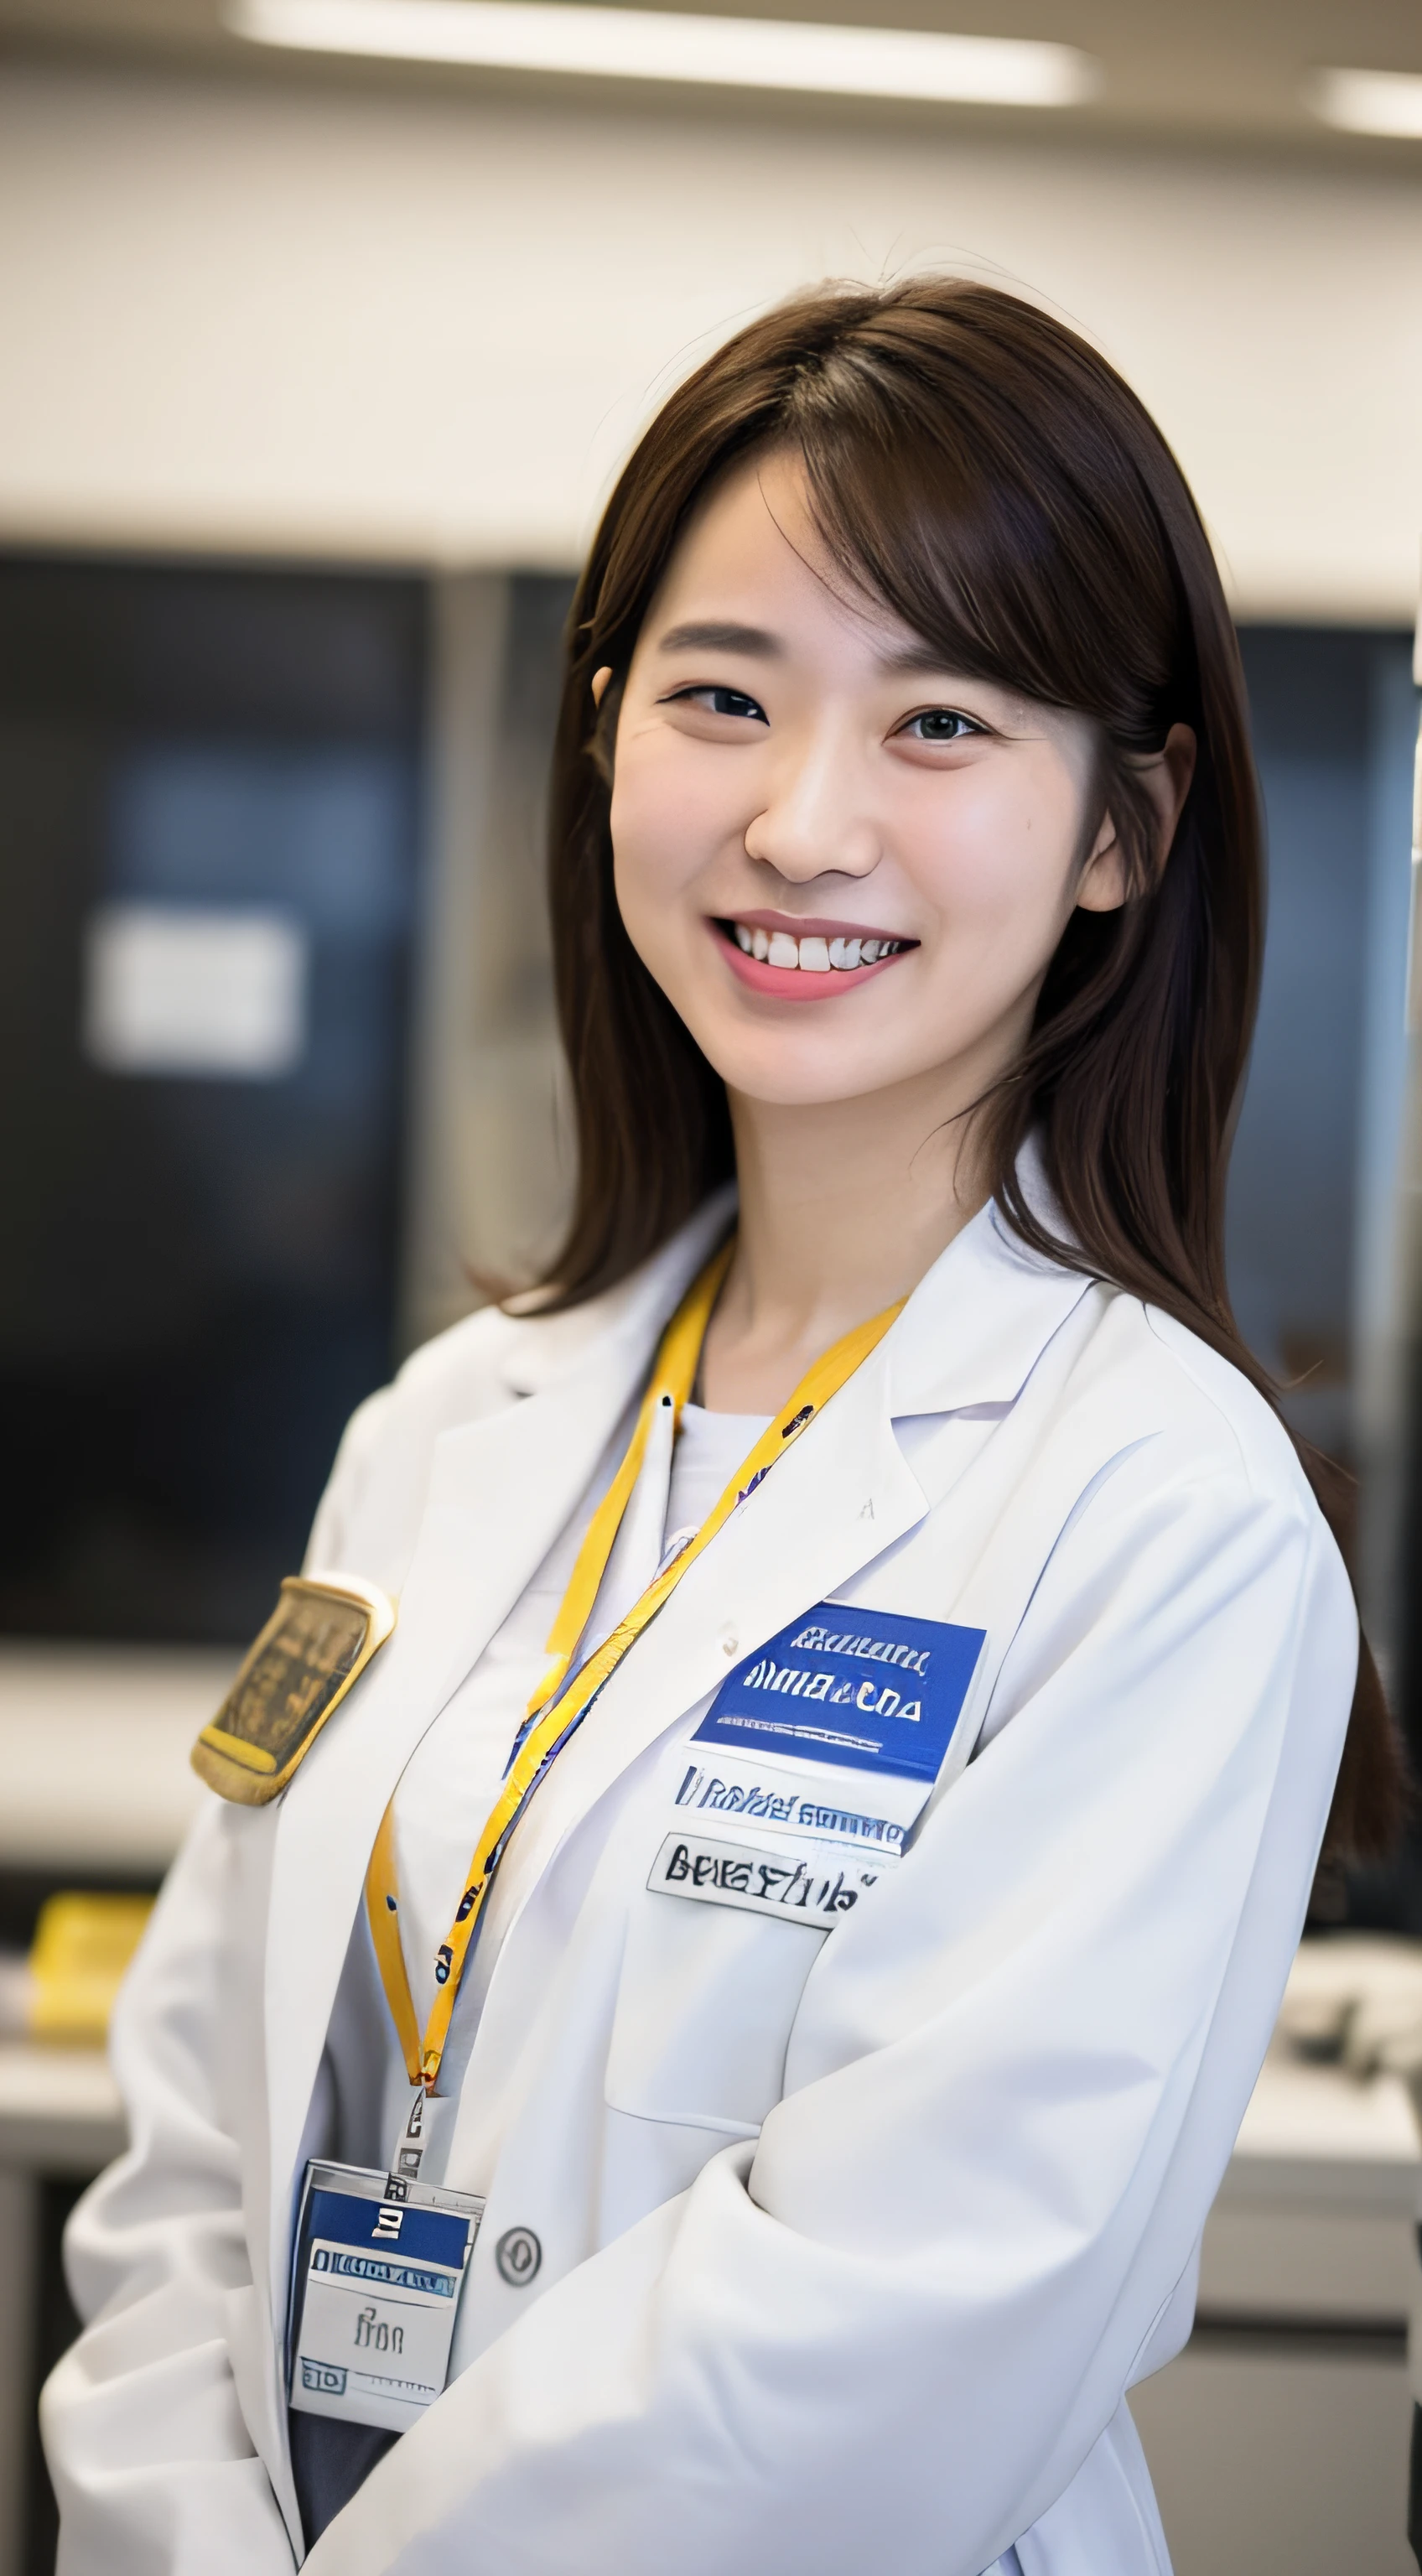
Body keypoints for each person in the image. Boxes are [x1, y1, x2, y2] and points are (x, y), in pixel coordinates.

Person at [42, 277, 1400, 2576]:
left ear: (1122, 832)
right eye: (721, 697)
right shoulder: (445, 1432)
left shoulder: (1162, 1517)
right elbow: (192, 2120)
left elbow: (903, 2332)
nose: (801, 820)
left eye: (943, 721)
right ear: (601, 742)